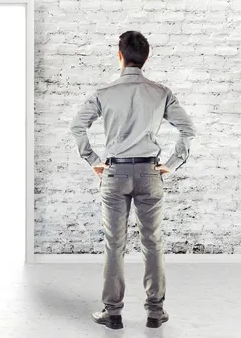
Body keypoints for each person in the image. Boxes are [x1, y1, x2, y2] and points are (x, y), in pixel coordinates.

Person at [68, 31, 196, 330]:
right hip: (150, 173)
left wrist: (93, 161)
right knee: (153, 242)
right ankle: (155, 312)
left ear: (119, 55)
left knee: (115, 244)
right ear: (146, 58)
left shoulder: (104, 93)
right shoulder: (161, 92)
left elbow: (77, 126)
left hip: (115, 173)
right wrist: (173, 164)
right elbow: (187, 129)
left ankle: (112, 313)